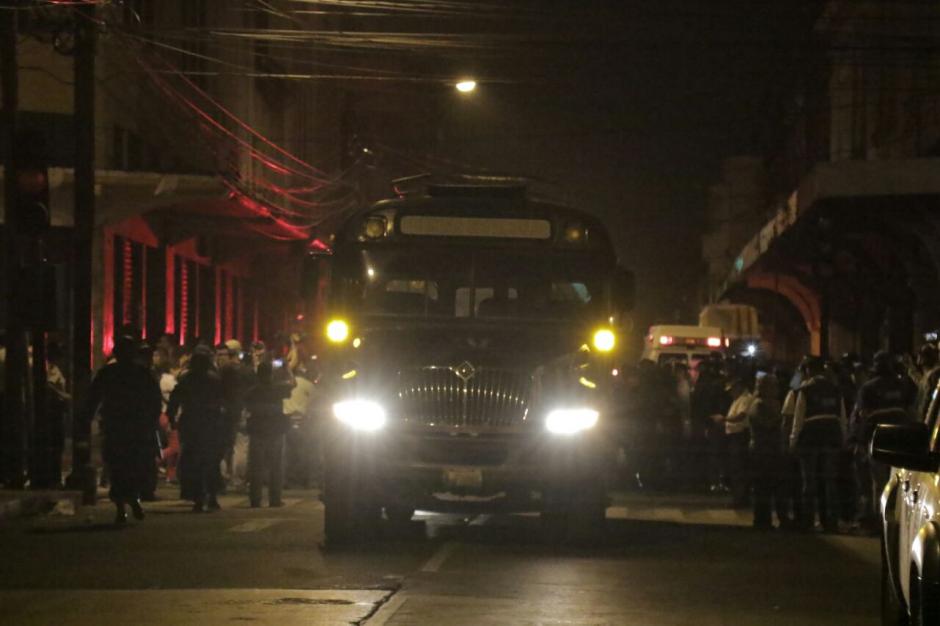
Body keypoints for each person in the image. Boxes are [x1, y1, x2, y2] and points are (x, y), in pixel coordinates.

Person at [82, 334, 162, 524]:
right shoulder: (140, 373)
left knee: (121, 466)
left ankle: (127, 502)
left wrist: (86, 417)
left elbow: (93, 399)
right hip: (130, 427)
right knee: (128, 466)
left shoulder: (111, 373)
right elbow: (154, 401)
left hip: (121, 426)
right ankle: (128, 501)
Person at [852, 351, 915, 530]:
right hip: (903, 441)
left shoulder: (868, 388)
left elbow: (863, 416)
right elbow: (912, 412)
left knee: (879, 484)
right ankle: (900, 521)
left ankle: (880, 521)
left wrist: (860, 441)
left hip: (877, 441)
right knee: (901, 483)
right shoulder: (904, 387)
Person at [788, 356, 846, 533]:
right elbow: (842, 417)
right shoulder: (835, 390)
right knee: (829, 481)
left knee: (809, 481)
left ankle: (807, 521)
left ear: (808, 370)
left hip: (810, 438)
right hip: (832, 437)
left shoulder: (805, 390)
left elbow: (798, 419)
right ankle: (831, 521)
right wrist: (842, 438)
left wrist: (793, 440)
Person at [166, 346, 226, 512]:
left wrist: (172, 416)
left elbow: (174, 399)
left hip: (193, 423)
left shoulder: (187, 379)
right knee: (210, 460)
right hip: (209, 423)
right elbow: (222, 401)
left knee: (195, 461)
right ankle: (211, 496)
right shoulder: (213, 379)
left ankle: (199, 496)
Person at [244, 361, 295, 507]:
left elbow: (246, 407)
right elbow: (293, 384)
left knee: (256, 467)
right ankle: (275, 499)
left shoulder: (251, 391)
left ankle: (255, 499)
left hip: (257, 431)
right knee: (276, 466)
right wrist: (287, 370)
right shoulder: (278, 389)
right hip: (275, 431)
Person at [747, 372, 790, 529]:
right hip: (763, 450)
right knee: (764, 487)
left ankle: (767, 519)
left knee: (769, 486)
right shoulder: (759, 404)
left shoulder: (768, 403)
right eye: (774, 385)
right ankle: (762, 520)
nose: (777, 388)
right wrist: (781, 418)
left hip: (769, 449)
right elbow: (766, 424)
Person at [724, 375, 754, 507]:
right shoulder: (738, 399)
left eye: (732, 389)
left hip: (740, 436)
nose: (730, 393)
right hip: (735, 437)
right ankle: (739, 498)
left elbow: (741, 416)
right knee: (737, 469)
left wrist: (724, 419)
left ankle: (741, 500)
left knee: (739, 469)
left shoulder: (745, 399)